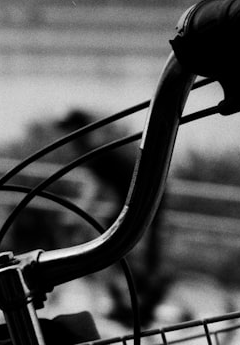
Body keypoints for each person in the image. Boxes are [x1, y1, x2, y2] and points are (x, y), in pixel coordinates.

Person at [56, 109, 168, 326]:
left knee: (112, 244)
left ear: (76, 131)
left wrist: (73, 216)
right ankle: (128, 297)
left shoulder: (91, 152)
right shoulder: (97, 148)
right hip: (142, 194)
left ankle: (136, 299)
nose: (64, 138)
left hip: (143, 197)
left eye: (68, 131)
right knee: (116, 241)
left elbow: (93, 190)